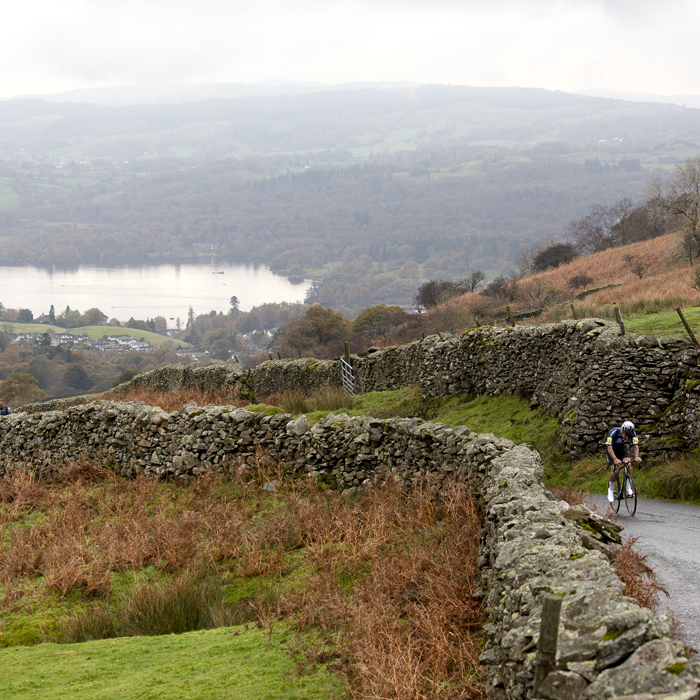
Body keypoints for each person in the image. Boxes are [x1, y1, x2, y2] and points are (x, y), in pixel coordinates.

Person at [606, 420, 641, 502]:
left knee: (628, 464)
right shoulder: (613, 432)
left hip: (622, 449)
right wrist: (615, 459)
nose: (627, 438)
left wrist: (636, 457)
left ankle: (628, 486)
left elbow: (636, 446)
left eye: (629, 436)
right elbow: (609, 448)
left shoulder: (633, 433)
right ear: (622, 430)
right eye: (626, 435)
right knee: (616, 470)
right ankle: (610, 490)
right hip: (612, 450)